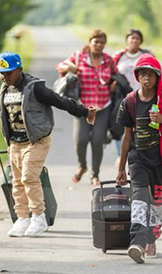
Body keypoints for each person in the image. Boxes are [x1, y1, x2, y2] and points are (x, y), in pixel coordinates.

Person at [0, 52, 96, 237]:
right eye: (1, 73)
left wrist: (84, 112)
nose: (4, 77)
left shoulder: (34, 87)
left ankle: (39, 218)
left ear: (19, 70)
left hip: (37, 141)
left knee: (28, 178)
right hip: (15, 143)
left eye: (8, 72)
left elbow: (59, 101)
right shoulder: (5, 89)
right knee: (16, 182)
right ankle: (22, 218)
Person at [116, 54, 162, 263]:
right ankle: (137, 242)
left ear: (158, 77)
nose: (146, 78)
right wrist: (121, 168)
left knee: (156, 197)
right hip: (137, 158)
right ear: (137, 76)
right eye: (143, 74)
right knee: (139, 197)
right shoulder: (129, 101)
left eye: (151, 74)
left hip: (161, 157)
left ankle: (152, 238)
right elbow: (127, 136)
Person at [57, 29, 117, 186]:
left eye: (102, 42)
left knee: (98, 141)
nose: (99, 45)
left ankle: (95, 175)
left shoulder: (108, 60)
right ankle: (82, 166)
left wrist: (115, 83)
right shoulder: (79, 57)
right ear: (90, 42)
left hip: (103, 106)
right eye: (96, 42)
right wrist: (71, 68)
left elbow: (116, 75)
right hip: (83, 107)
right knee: (80, 140)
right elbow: (60, 66)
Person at [111, 29, 153, 165]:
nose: (134, 40)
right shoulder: (118, 56)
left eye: (137, 38)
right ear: (127, 40)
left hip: (143, 96)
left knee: (144, 125)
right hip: (123, 97)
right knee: (122, 126)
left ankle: (142, 156)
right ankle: (121, 156)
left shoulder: (147, 55)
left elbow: (155, 73)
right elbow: (110, 73)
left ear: (141, 41)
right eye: (131, 38)